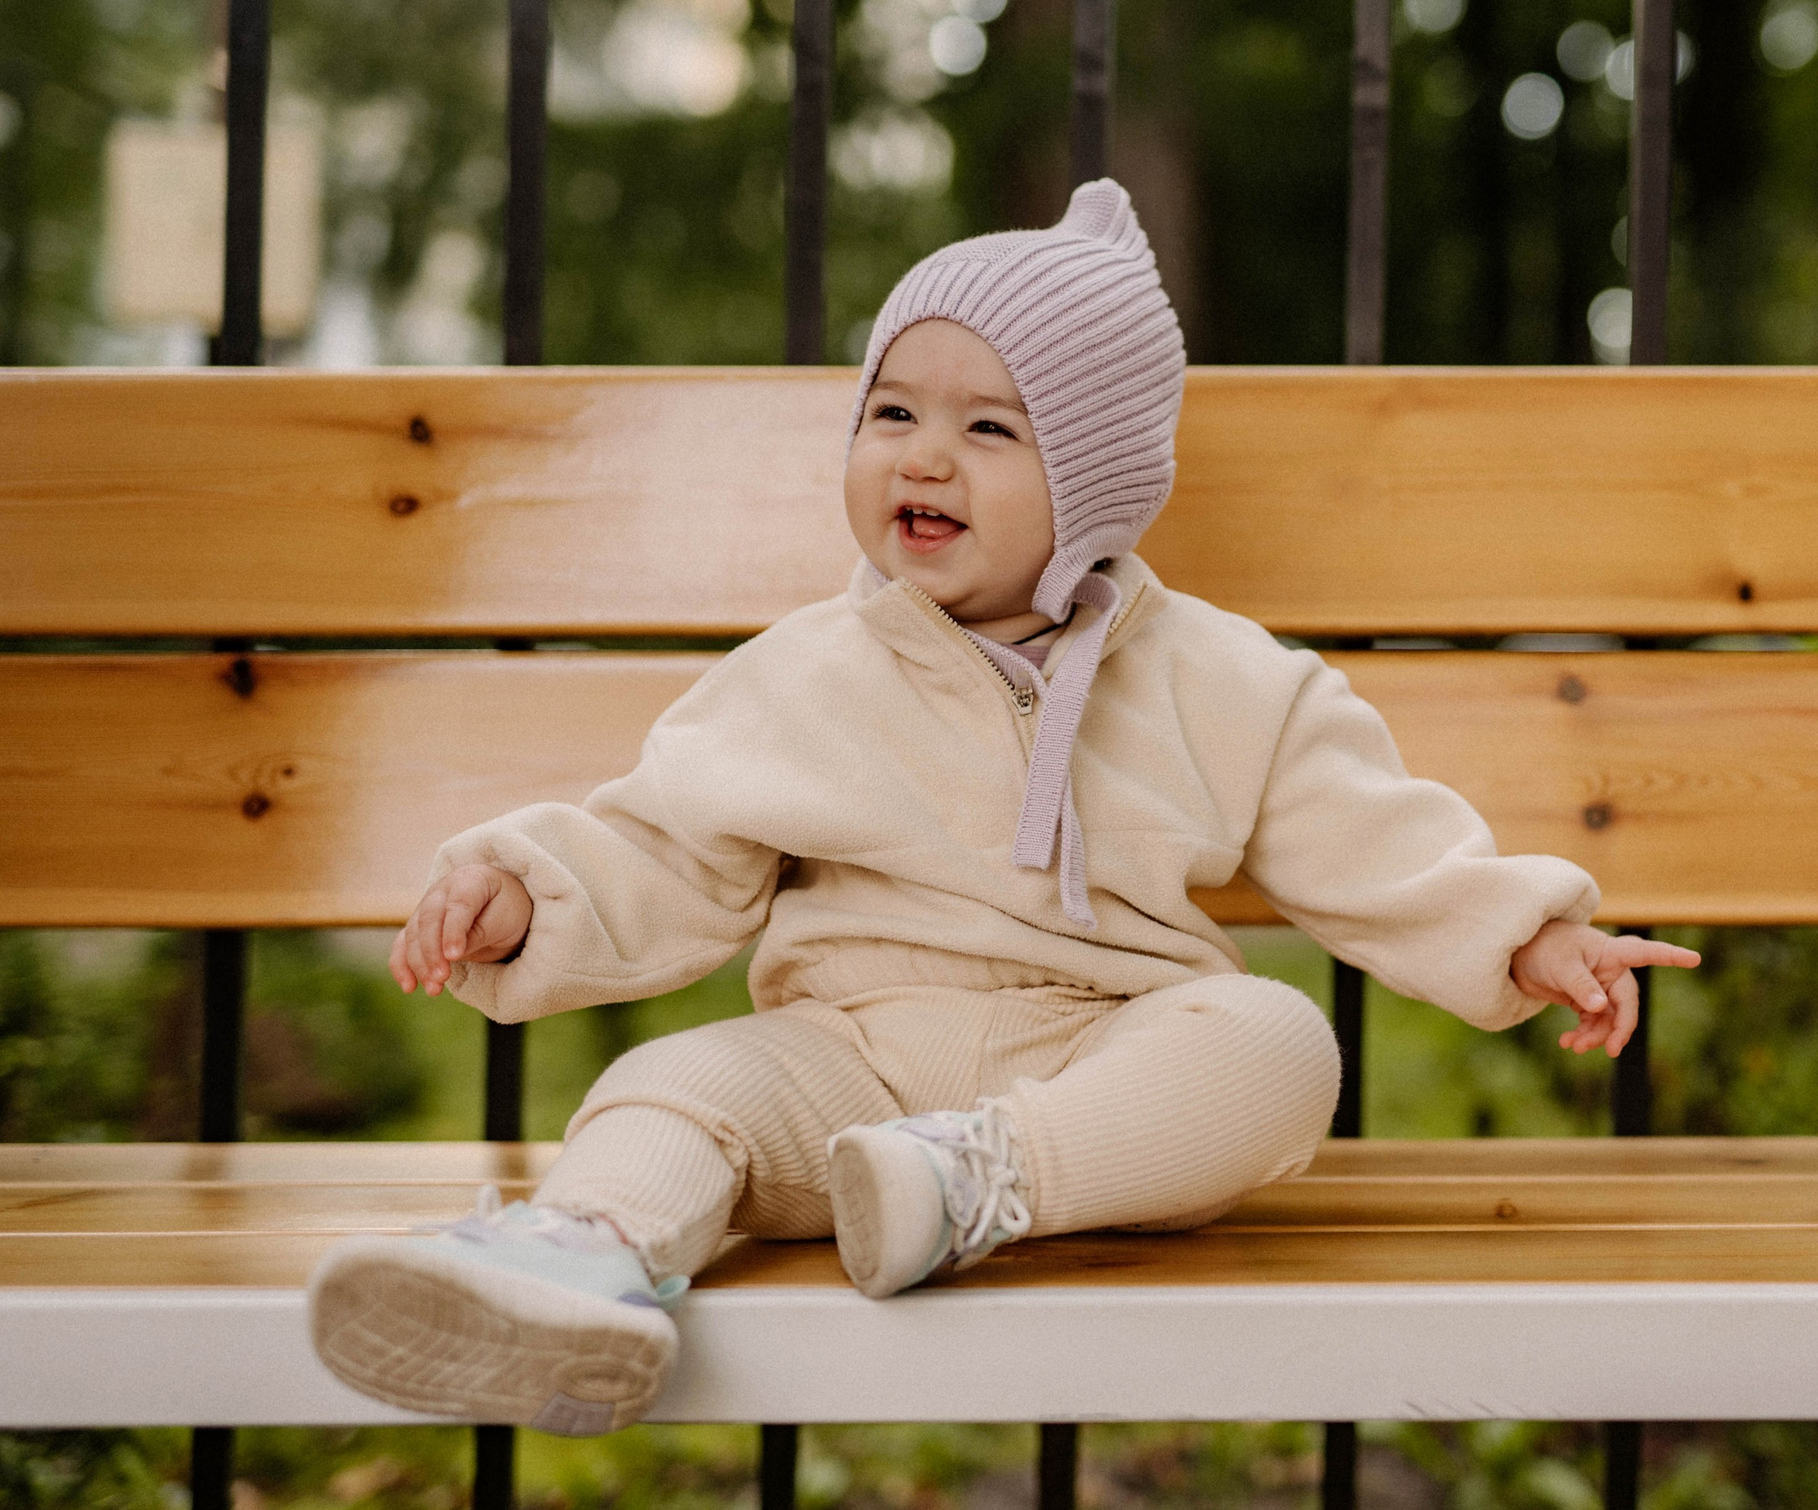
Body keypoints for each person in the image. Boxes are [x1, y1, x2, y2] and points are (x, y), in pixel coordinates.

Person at [307, 180, 1698, 1436]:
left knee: (1280, 1046)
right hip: (842, 1062)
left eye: (989, 428)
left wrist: (1521, 934)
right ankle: (583, 1261)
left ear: (1092, 480)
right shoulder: (802, 677)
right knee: (674, 1085)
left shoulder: (1220, 679)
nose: (923, 457)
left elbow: (1371, 834)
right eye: (893, 413)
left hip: (1099, 1069)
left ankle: (977, 1182)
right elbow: (660, 846)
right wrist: (524, 896)